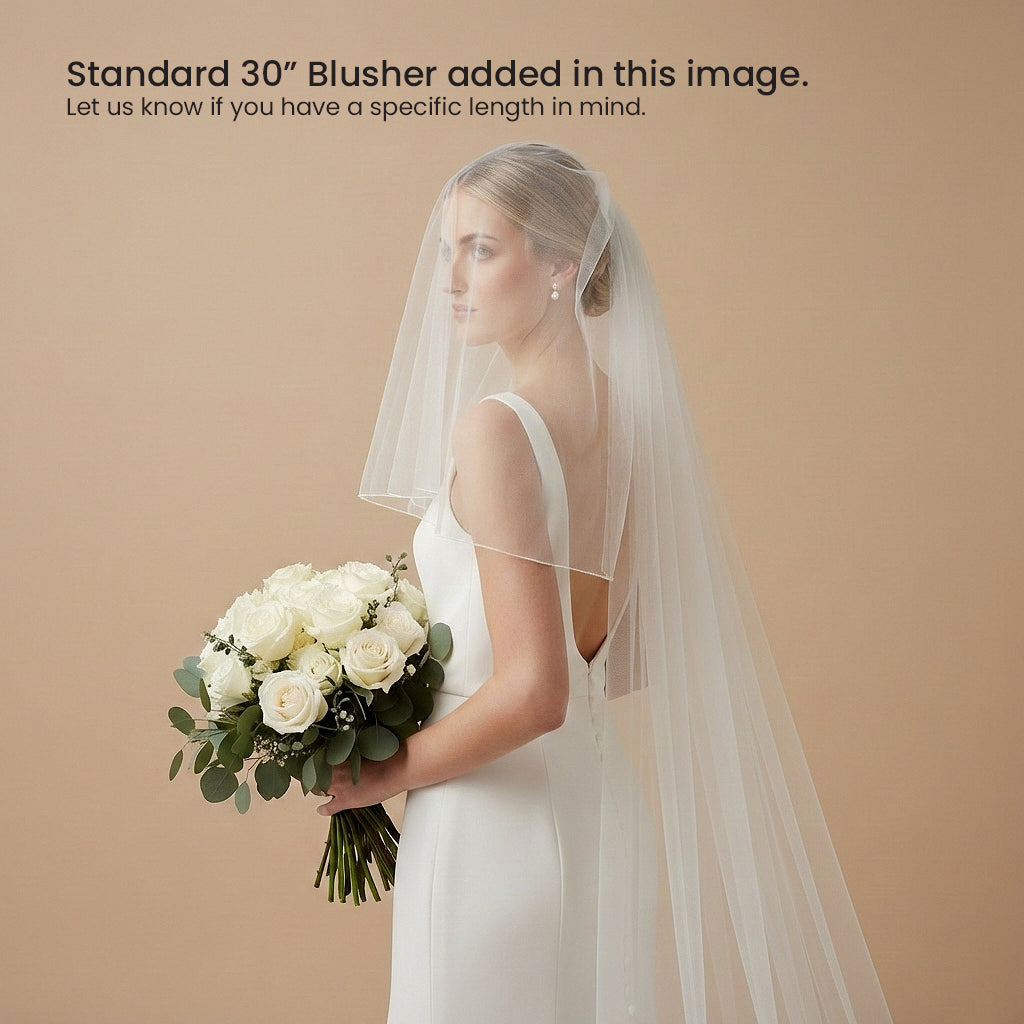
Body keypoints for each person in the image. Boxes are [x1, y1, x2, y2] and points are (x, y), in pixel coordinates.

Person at [320, 143, 893, 1023]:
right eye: (446, 250)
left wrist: (379, 770)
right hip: (600, 813)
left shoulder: (496, 431)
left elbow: (536, 692)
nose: (449, 279)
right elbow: (619, 662)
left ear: (561, 264)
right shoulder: (634, 424)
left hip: (492, 824)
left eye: (481, 249)